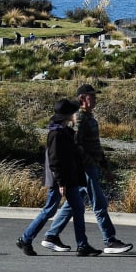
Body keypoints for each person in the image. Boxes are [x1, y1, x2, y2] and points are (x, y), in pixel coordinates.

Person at [42, 84, 133, 255]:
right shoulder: (80, 118)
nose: (95, 99)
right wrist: (89, 163)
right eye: (92, 96)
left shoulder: (88, 117)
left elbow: (95, 146)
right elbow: (75, 144)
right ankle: (110, 240)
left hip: (90, 167)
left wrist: (105, 167)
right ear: (82, 98)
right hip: (86, 168)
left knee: (72, 204)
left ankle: (51, 235)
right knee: (99, 203)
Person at [17, 98, 101, 257]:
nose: (75, 114)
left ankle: (82, 245)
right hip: (61, 180)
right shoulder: (56, 133)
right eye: (72, 112)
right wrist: (61, 182)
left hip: (68, 178)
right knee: (49, 210)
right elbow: (55, 160)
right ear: (67, 115)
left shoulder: (63, 131)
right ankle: (25, 239)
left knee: (77, 208)